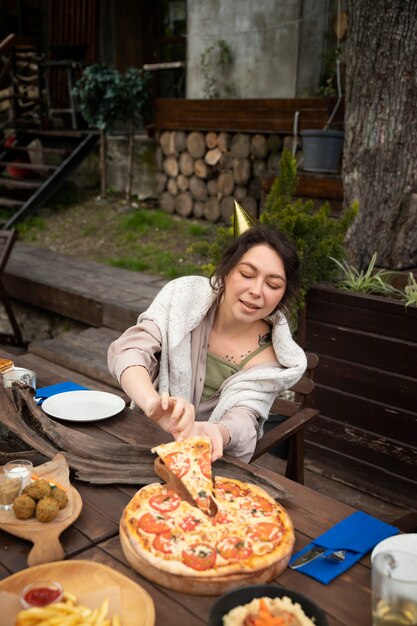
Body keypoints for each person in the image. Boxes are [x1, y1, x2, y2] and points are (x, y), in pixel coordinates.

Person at [107, 222, 307, 462]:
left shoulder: (272, 359)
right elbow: (131, 349)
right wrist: (151, 402)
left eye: (272, 285)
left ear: (282, 296)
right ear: (225, 272)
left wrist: (216, 433)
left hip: (210, 462)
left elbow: (245, 418)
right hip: (143, 440)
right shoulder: (183, 298)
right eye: (246, 274)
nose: (256, 290)